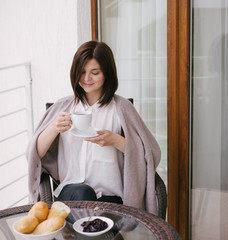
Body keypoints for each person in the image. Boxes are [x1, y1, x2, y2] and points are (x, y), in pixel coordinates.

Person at [27, 40, 161, 215]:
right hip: (72, 195)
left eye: (94, 72)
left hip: (113, 198)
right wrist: (53, 128)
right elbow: (33, 154)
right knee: (85, 193)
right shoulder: (63, 107)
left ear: (107, 73)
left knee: (98, 221)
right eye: (81, 72)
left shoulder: (121, 109)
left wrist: (117, 141)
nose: (86, 79)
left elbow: (151, 154)